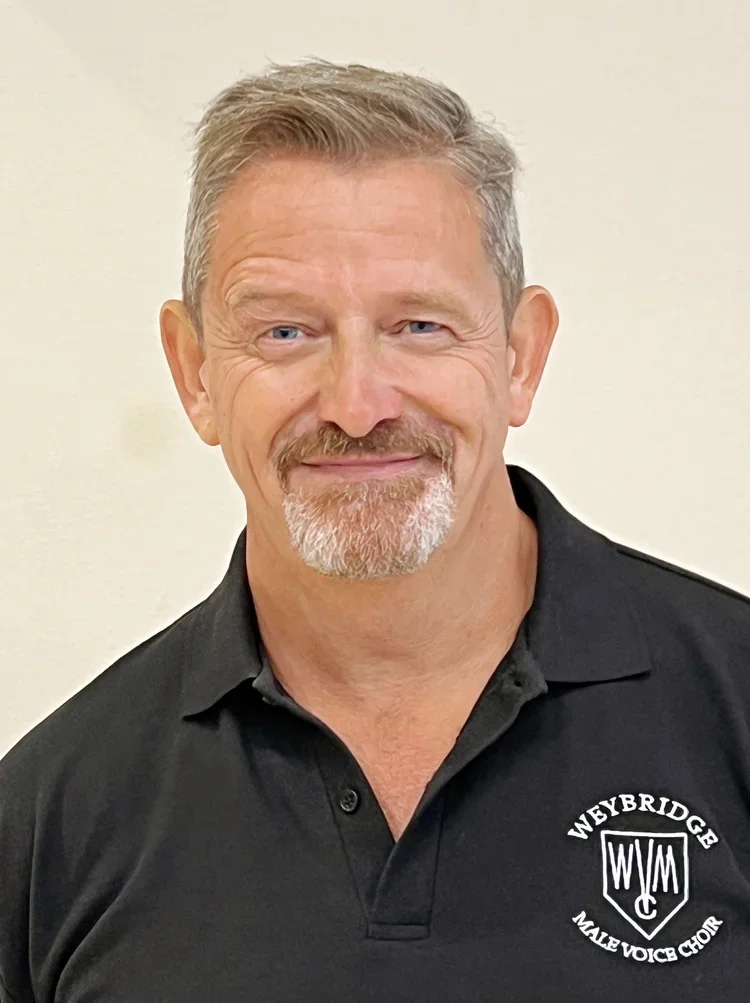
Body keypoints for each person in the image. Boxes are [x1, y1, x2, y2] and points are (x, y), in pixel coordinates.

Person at [1, 58, 748, 1002]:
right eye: (285, 333)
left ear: (521, 356)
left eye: (421, 325)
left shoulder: (735, 709)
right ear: (194, 373)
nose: (357, 403)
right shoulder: (51, 817)